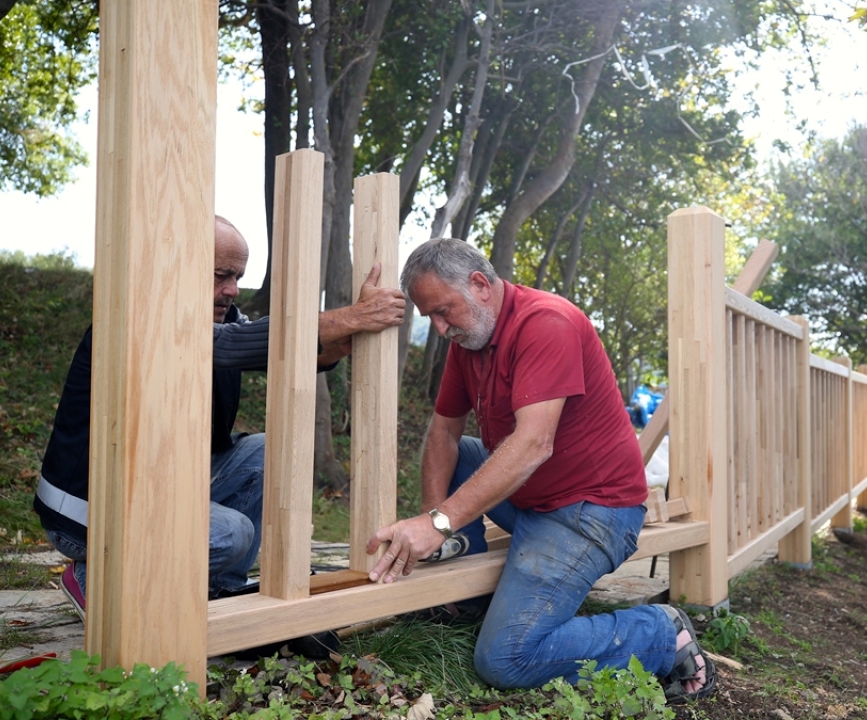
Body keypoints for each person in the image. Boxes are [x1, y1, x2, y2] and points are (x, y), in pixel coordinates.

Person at [364, 238, 716, 703]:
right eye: (430, 317)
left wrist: (437, 522)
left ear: (479, 284)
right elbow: (444, 432)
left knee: (506, 658)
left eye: (444, 311)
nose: (440, 327)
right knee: (462, 452)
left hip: (590, 512)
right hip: (531, 498)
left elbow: (533, 443)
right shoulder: (470, 340)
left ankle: (659, 632)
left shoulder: (547, 323)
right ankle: (465, 594)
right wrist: (438, 523)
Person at [36, 216, 405, 623]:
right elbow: (225, 345)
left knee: (269, 450)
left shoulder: (223, 320)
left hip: (157, 482)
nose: (232, 289)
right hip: (90, 510)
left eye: (237, 277)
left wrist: (342, 339)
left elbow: (268, 347)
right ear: (179, 264)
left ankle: (220, 589)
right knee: (230, 533)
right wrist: (349, 317)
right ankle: (96, 579)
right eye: (220, 275)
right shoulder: (138, 314)